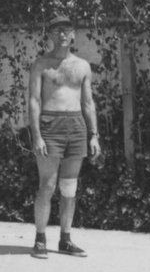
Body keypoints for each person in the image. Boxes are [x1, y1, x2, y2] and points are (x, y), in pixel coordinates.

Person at [27, 14, 101, 259]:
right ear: (50, 35)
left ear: (72, 35)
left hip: (77, 127)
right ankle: (40, 240)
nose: (62, 34)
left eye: (66, 30)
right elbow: (34, 101)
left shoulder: (82, 66)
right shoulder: (41, 64)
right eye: (56, 30)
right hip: (50, 125)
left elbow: (88, 103)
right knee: (47, 185)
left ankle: (65, 240)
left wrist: (94, 135)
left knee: (69, 187)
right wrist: (36, 135)